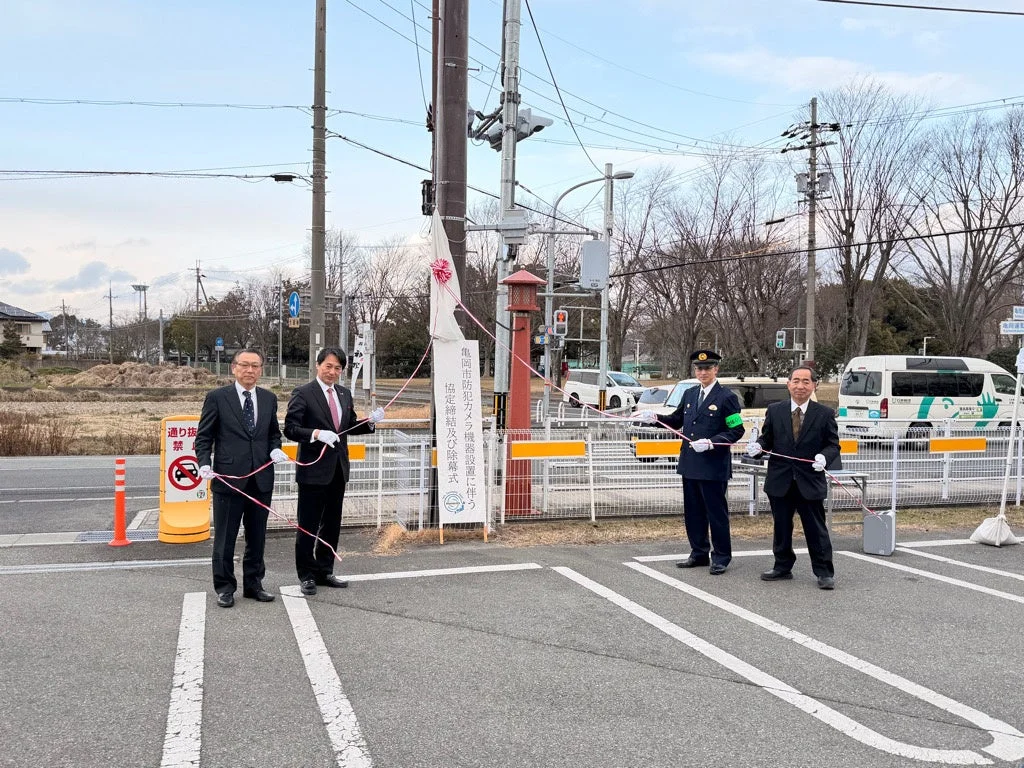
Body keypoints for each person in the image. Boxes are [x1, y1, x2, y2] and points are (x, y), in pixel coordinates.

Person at [284, 347, 384, 595]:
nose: (332, 371)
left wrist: (369, 422)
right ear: (318, 366)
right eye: (328, 366)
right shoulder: (303, 393)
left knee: (332, 524)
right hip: (313, 471)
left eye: (337, 368)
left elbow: (347, 426)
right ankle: (306, 574)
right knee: (308, 525)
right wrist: (316, 434)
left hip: (338, 470)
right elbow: (291, 428)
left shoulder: (344, 393)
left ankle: (325, 570)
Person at [195, 348, 288, 608]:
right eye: (244, 365)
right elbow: (204, 437)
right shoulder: (217, 398)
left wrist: (275, 448)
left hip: (261, 478)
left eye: (255, 366)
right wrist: (204, 463)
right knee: (225, 538)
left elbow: (272, 433)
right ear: (233, 368)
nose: (250, 370)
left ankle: (254, 584)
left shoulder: (269, 399)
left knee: (257, 536)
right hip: (228, 479)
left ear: (261, 369)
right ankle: (225, 587)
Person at [638, 350, 745, 574]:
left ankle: (721, 557)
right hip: (691, 464)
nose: (703, 372)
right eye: (699, 368)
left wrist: (712, 442)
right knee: (693, 513)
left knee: (716, 513)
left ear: (716, 369)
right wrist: (655, 419)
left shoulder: (727, 397)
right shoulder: (690, 394)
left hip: (713, 465)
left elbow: (736, 429)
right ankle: (698, 553)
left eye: (707, 368)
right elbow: (677, 419)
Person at [746, 365, 841, 590]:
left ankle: (824, 571)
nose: (800, 386)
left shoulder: (824, 413)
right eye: (796, 381)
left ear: (814, 385)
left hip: (809, 479)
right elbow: (767, 439)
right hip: (781, 479)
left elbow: (833, 444)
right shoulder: (776, 410)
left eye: (806, 381)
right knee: (781, 526)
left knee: (815, 528)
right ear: (788, 384)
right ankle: (782, 565)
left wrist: (824, 458)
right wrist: (758, 446)